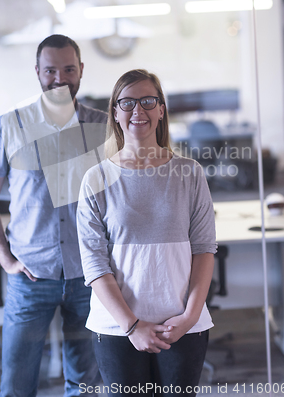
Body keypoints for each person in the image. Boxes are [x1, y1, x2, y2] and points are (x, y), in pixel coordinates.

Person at [0, 34, 107, 397]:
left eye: (68, 68)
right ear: (37, 72)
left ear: (81, 70)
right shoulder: (10, 125)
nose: (59, 78)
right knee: (17, 385)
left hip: (89, 276)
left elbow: (119, 198)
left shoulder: (103, 127)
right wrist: (6, 259)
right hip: (30, 276)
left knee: (85, 385)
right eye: (50, 70)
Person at [77, 69, 217, 396]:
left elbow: (204, 249)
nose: (137, 111)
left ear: (161, 109)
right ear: (114, 112)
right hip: (118, 327)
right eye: (127, 102)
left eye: (147, 101)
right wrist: (132, 326)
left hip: (182, 325)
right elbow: (95, 264)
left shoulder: (189, 173)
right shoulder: (96, 179)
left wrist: (188, 317)